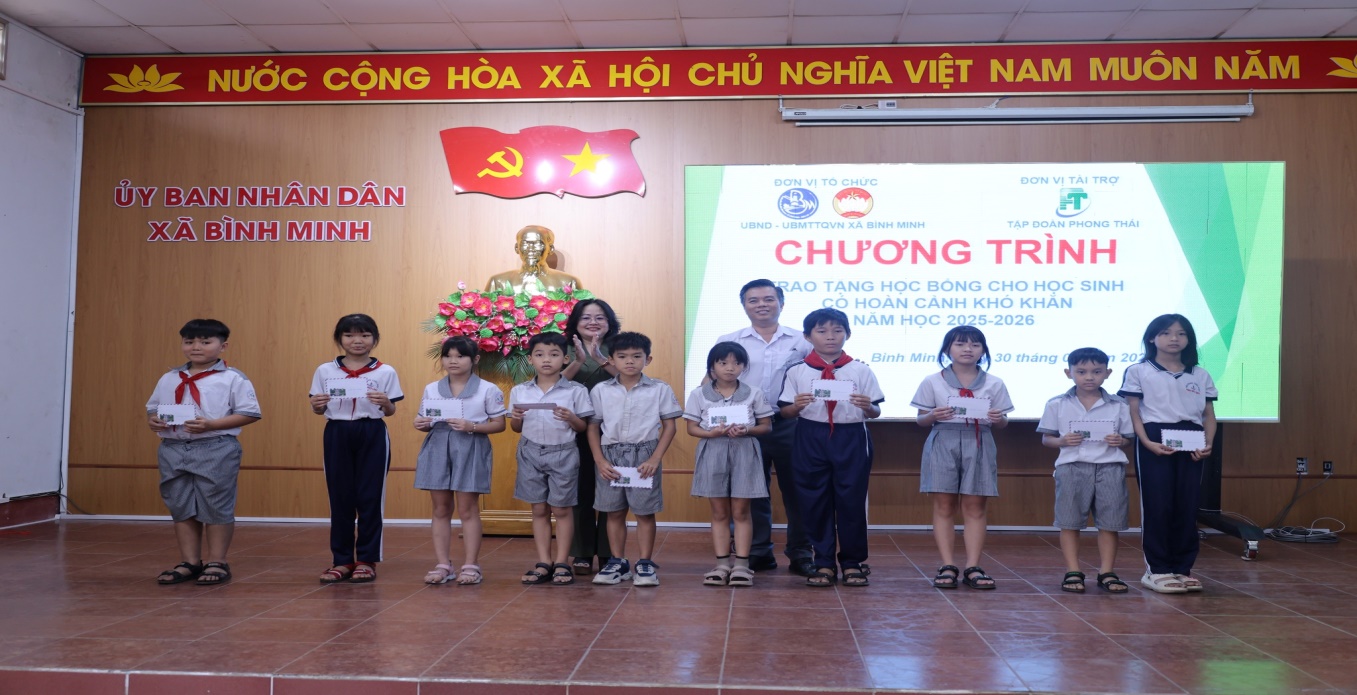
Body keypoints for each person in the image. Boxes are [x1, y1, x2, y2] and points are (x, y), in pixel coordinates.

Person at [146, 319, 261, 586]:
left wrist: (211, 425)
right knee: (180, 503)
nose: (196, 347)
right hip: (173, 448)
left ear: (223, 346)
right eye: (189, 342)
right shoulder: (169, 377)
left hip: (215, 446)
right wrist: (154, 420)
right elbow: (153, 408)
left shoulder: (232, 378)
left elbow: (250, 413)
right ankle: (189, 561)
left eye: (205, 342)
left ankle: (217, 561)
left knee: (215, 504)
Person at [779, 309, 884, 588]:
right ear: (807, 336)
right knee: (815, 500)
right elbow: (786, 412)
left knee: (851, 501)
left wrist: (868, 407)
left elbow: (875, 411)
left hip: (851, 437)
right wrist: (796, 406)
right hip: (810, 435)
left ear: (847, 334)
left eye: (837, 330)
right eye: (822, 331)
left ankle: (852, 562)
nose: (830, 336)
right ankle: (823, 562)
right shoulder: (797, 371)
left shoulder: (860, 369)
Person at [715, 279, 814, 576]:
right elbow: (714, 380)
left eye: (769, 299)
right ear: (744, 305)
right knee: (752, 491)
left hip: (791, 423)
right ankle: (758, 551)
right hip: (746, 425)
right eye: (754, 300)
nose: (762, 305)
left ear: (781, 303)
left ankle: (801, 553)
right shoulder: (730, 340)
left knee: (798, 490)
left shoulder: (802, 341)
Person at [1119, 314, 1217, 594]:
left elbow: (1209, 415)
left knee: (1187, 505)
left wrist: (1208, 443)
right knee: (1158, 504)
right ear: (1152, 338)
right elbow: (1134, 412)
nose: (1174, 338)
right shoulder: (1139, 370)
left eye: (1181, 333)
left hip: (1192, 439)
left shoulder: (1200, 374)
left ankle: (1182, 568)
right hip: (1154, 437)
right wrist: (1146, 442)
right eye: (1166, 333)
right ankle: (1157, 569)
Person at [912, 325, 1012, 591]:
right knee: (944, 506)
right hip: (943, 440)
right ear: (947, 349)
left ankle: (973, 566)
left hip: (979, 441)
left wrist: (998, 418)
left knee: (975, 507)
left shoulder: (994, 382)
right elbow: (921, 419)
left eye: (975, 344)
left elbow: (1003, 422)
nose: (968, 349)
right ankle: (947, 565)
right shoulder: (933, 381)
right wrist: (933, 415)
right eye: (960, 344)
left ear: (983, 350)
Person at [309, 314, 402, 584]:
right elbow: (318, 408)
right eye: (349, 335)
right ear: (339, 339)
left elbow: (391, 410)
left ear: (375, 339)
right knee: (340, 497)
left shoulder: (385, 371)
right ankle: (342, 560)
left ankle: (366, 560)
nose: (357, 340)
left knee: (370, 497)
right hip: (337, 432)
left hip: (372, 432)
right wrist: (317, 406)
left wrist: (386, 402)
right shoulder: (325, 371)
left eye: (364, 335)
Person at [1036, 348, 1135, 594]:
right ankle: (1073, 571)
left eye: (1096, 372)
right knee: (1069, 522)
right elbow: (1046, 439)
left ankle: (1107, 571)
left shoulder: (1119, 405)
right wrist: (1062, 441)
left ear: (1107, 373)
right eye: (1081, 372)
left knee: (1110, 523)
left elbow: (1128, 439)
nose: (1089, 377)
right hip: (1072, 467)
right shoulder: (1057, 403)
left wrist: (1120, 441)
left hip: (1110, 467)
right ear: (1068, 373)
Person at [587, 331, 682, 587]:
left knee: (644, 512)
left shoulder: (659, 389)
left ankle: (644, 563)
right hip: (610, 455)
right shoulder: (601, 390)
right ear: (611, 360)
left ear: (647, 359)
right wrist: (600, 460)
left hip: (644, 456)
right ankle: (618, 562)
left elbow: (670, 426)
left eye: (636, 356)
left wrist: (655, 458)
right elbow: (593, 427)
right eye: (622, 356)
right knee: (613, 512)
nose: (629, 361)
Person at [414, 336, 507, 585]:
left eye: (460, 356)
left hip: (471, 446)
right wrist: (420, 423)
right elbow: (424, 420)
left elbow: (499, 424)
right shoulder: (432, 388)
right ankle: (443, 565)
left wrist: (472, 426)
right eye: (447, 356)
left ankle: (471, 565)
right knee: (440, 509)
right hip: (437, 447)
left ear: (475, 359)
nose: (452, 361)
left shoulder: (488, 389)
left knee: (467, 509)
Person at [685, 342, 774, 587]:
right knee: (719, 512)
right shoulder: (699, 394)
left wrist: (747, 429)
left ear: (744, 366)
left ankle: (742, 565)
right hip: (712, 451)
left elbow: (766, 426)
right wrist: (710, 433)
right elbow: (691, 428)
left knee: (741, 512)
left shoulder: (754, 393)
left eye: (736, 363)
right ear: (712, 367)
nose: (730, 368)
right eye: (723, 362)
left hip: (745, 451)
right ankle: (722, 564)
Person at [509, 333, 593, 586]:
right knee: (538, 509)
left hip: (563, 452)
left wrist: (571, 417)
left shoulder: (576, 390)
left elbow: (582, 426)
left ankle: (562, 562)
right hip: (530, 452)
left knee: (562, 509)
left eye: (554, 354)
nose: (547, 360)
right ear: (530, 359)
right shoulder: (520, 391)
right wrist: (516, 418)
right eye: (540, 354)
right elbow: (516, 428)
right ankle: (544, 562)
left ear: (565, 359)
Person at [561, 298, 620, 574]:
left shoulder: (619, 348)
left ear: (610, 322)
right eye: (586, 317)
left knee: (611, 490)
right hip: (572, 427)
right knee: (579, 491)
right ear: (575, 322)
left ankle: (608, 551)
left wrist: (600, 359)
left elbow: (630, 379)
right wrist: (580, 360)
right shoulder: (564, 349)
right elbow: (553, 384)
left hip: (613, 429)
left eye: (600, 317)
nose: (593, 322)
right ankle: (582, 551)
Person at [485, 225, 583, 295]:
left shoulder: (569, 283)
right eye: (525, 243)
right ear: (516, 248)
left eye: (538, 243)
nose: (530, 248)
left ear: (550, 249)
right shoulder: (497, 282)